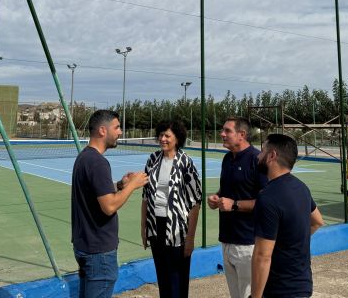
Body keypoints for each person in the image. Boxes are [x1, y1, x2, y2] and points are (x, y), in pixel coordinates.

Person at [71, 109, 148, 298]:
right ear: (103, 131)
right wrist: (133, 186)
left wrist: (121, 185)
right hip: (99, 253)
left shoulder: (84, 158)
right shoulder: (98, 163)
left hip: (84, 246)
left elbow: (97, 193)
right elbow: (109, 206)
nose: (120, 132)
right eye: (117, 127)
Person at [251, 133, 324, 298]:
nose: (258, 156)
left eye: (262, 151)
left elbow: (262, 257)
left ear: (272, 156)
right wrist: (292, 243)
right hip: (302, 285)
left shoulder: (267, 197)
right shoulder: (301, 188)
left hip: (279, 289)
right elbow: (317, 221)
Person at [141, 120, 202, 298]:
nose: (163, 139)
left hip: (177, 229)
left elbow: (195, 202)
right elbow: (145, 197)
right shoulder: (152, 159)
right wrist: (143, 227)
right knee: (162, 275)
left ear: (177, 138)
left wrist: (190, 238)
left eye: (167, 135)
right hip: (155, 226)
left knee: (178, 277)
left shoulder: (186, 163)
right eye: (161, 135)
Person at [207, 117, 267, 298]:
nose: (222, 134)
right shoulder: (227, 159)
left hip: (248, 244)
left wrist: (234, 205)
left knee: (249, 295)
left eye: (227, 131)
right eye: (222, 130)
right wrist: (216, 198)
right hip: (226, 240)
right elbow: (230, 190)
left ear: (242, 135)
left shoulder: (257, 160)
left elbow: (266, 203)